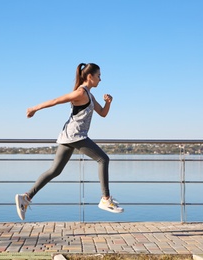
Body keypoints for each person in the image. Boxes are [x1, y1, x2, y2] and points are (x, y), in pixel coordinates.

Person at [15, 63, 124, 220]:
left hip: (69, 136)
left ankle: (26, 197)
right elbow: (56, 100)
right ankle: (105, 199)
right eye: (98, 76)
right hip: (75, 135)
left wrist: (108, 102)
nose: (100, 79)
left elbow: (102, 113)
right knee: (103, 159)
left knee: (55, 170)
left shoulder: (89, 95)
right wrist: (34, 109)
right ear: (90, 77)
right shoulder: (81, 93)